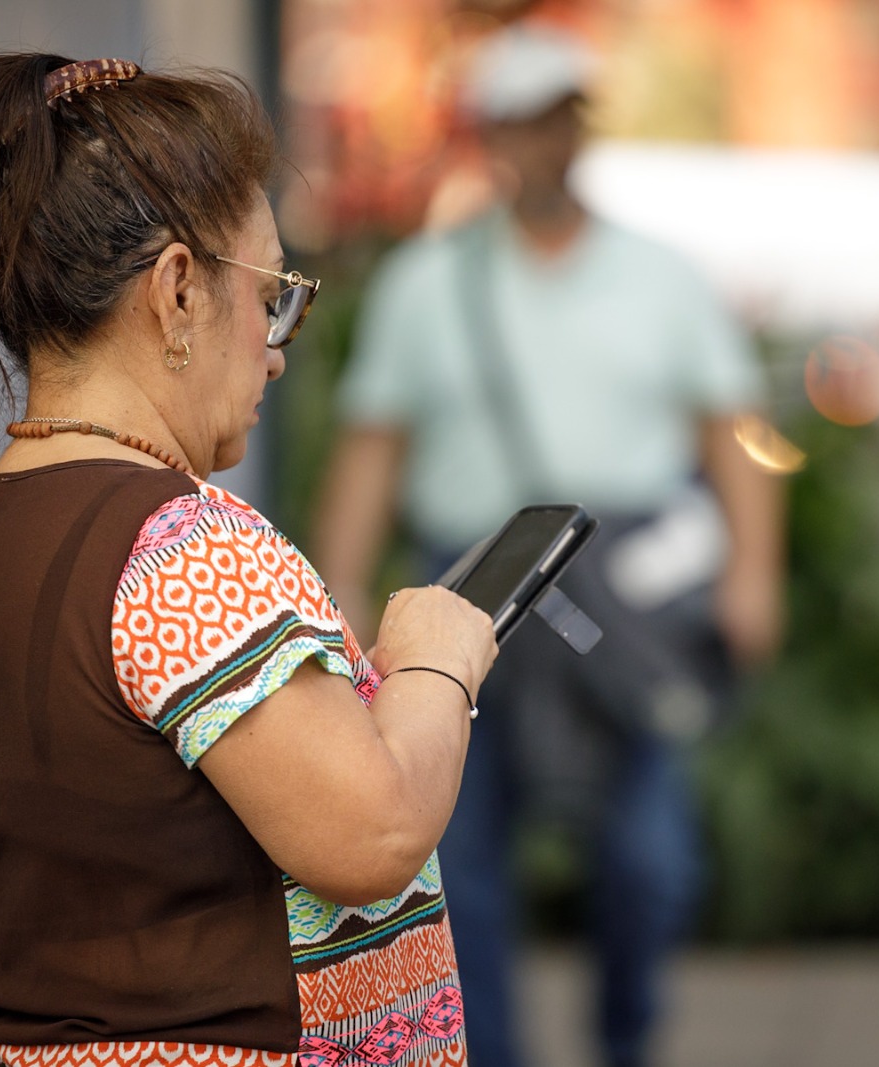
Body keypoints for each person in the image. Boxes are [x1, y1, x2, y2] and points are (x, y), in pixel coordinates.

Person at [0, 52, 498, 1067]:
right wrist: (436, 659)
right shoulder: (186, 544)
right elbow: (373, 835)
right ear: (178, 290)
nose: (277, 347)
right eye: (272, 296)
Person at [312, 24, 784, 1067]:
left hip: (623, 601)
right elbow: (372, 449)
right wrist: (339, 588)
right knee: (461, 859)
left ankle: (625, 1039)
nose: (544, 142)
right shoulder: (427, 285)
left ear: (581, 129)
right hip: (468, 586)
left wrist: (753, 575)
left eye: (559, 119)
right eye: (522, 123)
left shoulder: (660, 276)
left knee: (647, 857)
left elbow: (730, 433)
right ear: (488, 136)